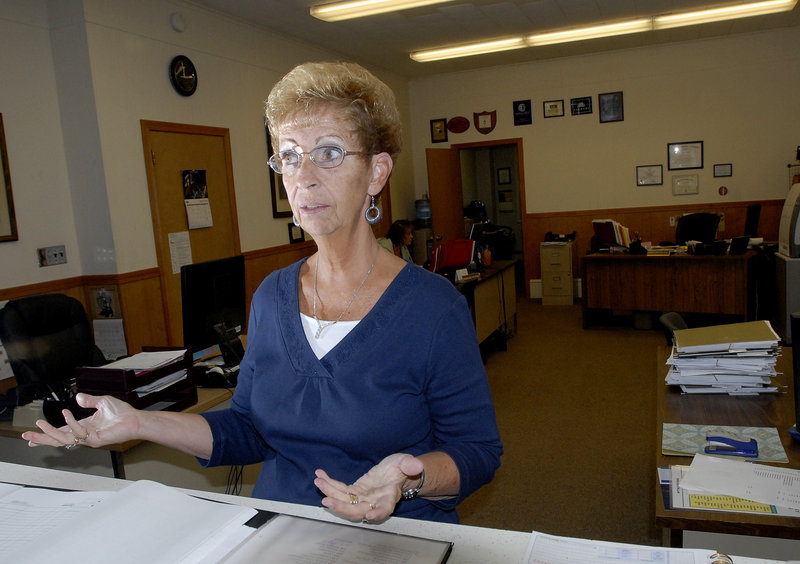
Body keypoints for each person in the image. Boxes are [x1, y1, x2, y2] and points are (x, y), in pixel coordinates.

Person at [21, 61, 502, 525]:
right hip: (281, 528)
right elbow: (248, 429)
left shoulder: (432, 306)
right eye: (290, 155)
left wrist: (406, 479)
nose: (305, 176)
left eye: (330, 153)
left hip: (397, 537)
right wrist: (141, 423)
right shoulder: (273, 296)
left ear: (376, 172)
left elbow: (477, 452)